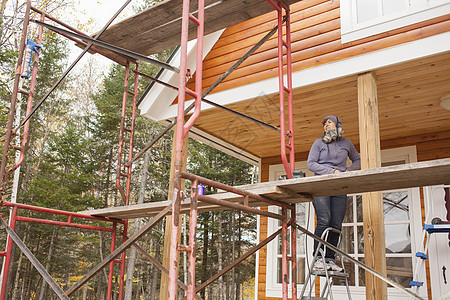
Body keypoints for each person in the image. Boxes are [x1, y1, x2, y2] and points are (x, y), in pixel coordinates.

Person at [307, 115, 360, 271]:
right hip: (321, 185)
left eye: (329, 122)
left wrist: (348, 171)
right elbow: (311, 164)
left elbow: (358, 159)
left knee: (336, 223)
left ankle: (329, 259)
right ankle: (318, 258)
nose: (326, 125)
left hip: (339, 187)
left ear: (338, 125)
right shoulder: (318, 143)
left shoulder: (347, 144)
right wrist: (332, 171)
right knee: (324, 219)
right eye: (324, 124)